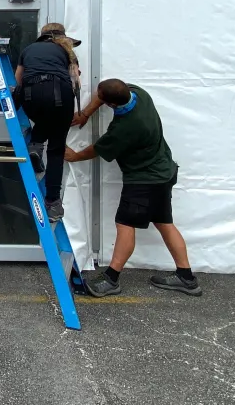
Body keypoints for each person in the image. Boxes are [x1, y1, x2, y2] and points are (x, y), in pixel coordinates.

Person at [65, 78, 201, 297]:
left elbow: (98, 149)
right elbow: (109, 93)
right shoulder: (140, 94)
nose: (97, 99)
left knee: (125, 224)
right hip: (163, 173)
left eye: (100, 97)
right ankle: (186, 278)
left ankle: (111, 279)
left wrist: (75, 156)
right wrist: (86, 113)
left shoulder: (126, 127)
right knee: (165, 223)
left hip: (144, 181)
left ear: (111, 105)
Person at [14, 23, 81, 223]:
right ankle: (52, 202)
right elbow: (75, 80)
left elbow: (19, 80)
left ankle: (35, 144)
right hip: (60, 94)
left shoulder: (28, 49)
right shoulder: (66, 51)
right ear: (62, 37)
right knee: (56, 150)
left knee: (43, 116)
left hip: (31, 95)